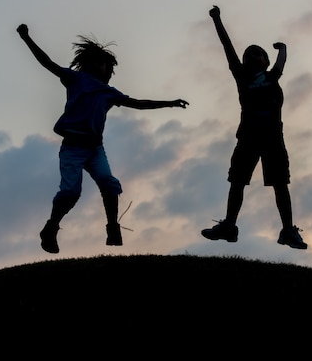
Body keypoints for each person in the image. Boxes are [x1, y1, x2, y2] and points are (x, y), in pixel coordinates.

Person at [17, 24, 188, 253]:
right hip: (72, 148)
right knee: (70, 193)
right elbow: (47, 63)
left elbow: (138, 104)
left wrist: (169, 103)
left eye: (109, 68)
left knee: (108, 183)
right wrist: (26, 38)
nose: (108, 71)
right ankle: (51, 228)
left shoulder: (109, 93)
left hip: (95, 149)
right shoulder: (75, 79)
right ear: (94, 65)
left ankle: (112, 226)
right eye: (106, 66)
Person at [201, 5, 307, 249]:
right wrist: (217, 20)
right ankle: (229, 225)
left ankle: (288, 230)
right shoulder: (241, 77)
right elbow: (227, 47)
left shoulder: (272, 78)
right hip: (248, 138)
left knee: (280, 184)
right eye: (247, 55)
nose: (251, 56)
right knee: (237, 182)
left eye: (257, 53)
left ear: (266, 61)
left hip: (273, 140)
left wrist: (283, 48)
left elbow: (281, 62)